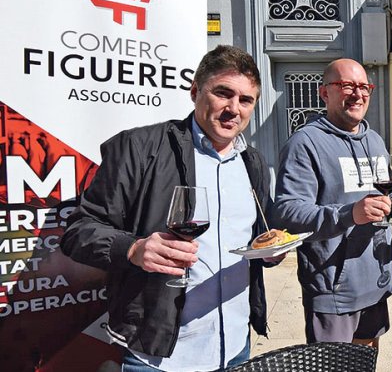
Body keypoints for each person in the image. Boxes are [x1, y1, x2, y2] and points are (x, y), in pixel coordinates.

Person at [60, 45, 276, 371]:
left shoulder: (253, 162)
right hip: (157, 356)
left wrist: (270, 251)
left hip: (234, 346)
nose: (234, 108)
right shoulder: (138, 147)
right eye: (223, 93)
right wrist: (132, 248)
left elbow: (258, 235)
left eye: (246, 100)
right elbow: (78, 230)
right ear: (194, 91)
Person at [274, 58, 392, 347]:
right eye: (346, 85)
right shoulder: (305, 143)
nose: (357, 94)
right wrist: (350, 214)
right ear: (325, 93)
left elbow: (380, 199)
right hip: (333, 289)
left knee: (365, 364)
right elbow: (288, 212)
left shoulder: (374, 140)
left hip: (374, 282)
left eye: (364, 86)